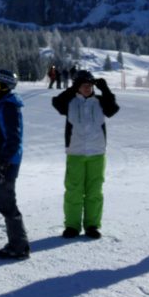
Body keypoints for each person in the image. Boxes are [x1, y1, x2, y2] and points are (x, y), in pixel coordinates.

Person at [51, 69, 119, 239]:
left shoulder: (100, 101)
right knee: (74, 190)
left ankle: (92, 225)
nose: (87, 88)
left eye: (89, 85)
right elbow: (57, 102)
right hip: (75, 152)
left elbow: (113, 109)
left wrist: (106, 90)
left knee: (94, 191)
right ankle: (72, 226)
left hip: (97, 152)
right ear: (77, 87)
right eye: (83, 85)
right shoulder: (70, 102)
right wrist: (72, 89)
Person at [0, 69, 30, 259]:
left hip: (7, 163)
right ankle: (17, 243)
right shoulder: (2, 104)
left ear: (3, 85)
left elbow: (13, 139)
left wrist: (3, 164)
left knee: (7, 205)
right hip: (3, 162)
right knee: (6, 204)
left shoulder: (8, 107)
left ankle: (19, 247)